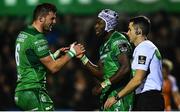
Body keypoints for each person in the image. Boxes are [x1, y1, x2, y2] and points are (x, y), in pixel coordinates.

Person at [14, 3, 85, 111]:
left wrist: (54, 55)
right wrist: (72, 53)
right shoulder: (38, 38)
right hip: (33, 92)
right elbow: (53, 68)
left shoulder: (24, 34)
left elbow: (32, 61)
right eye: (52, 18)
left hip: (22, 92)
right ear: (41, 18)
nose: (54, 22)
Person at [104, 16, 165, 111]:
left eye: (130, 29)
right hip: (146, 98)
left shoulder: (144, 48)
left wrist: (116, 97)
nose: (128, 33)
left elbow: (137, 80)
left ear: (139, 31)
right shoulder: (144, 47)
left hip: (148, 99)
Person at [77, 9, 133, 111]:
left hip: (119, 97)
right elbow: (101, 74)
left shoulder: (118, 40)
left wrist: (103, 85)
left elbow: (125, 68)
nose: (96, 26)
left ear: (109, 24)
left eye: (99, 23)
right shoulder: (103, 45)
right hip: (107, 97)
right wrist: (82, 58)